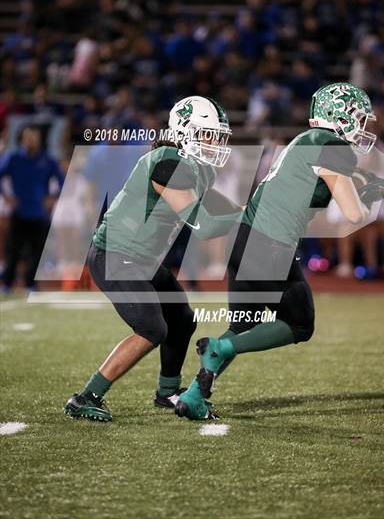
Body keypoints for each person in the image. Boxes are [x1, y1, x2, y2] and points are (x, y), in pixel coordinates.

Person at [175, 83, 384, 420]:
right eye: (359, 118)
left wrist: (359, 185)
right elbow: (352, 215)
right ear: (340, 116)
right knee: (300, 324)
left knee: (242, 326)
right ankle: (220, 347)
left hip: (242, 238)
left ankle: (193, 396)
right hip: (269, 244)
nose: (362, 126)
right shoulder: (332, 145)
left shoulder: (304, 141)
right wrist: (367, 198)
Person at [64, 96, 242, 422]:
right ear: (185, 131)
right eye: (208, 134)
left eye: (218, 136)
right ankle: (86, 396)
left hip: (143, 259)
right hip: (116, 254)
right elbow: (204, 225)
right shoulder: (167, 161)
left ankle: (167, 391)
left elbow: (217, 206)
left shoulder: (199, 169)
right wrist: (245, 216)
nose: (215, 143)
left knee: (182, 320)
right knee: (152, 328)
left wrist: (251, 209)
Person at [0, 126, 63, 291]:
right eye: (28, 138)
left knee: (37, 251)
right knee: (12, 249)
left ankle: (31, 284)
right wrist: (6, 196)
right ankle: (7, 283)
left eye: (34, 138)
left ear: (39, 140)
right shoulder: (13, 157)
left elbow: (62, 181)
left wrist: (53, 197)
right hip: (19, 211)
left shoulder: (47, 160)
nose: (31, 141)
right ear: (22, 140)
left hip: (39, 213)